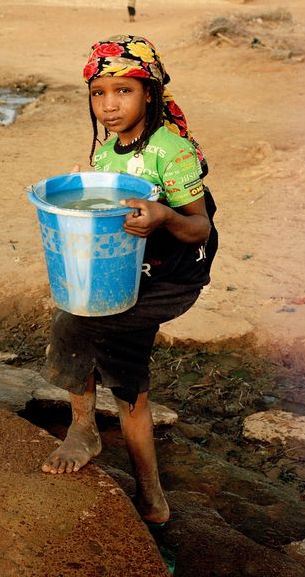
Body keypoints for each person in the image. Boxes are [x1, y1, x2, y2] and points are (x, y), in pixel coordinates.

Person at [41, 34, 217, 529]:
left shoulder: (171, 151)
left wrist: (161, 215)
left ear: (150, 94)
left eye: (123, 92)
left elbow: (198, 226)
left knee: (73, 321)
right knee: (129, 385)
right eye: (99, 93)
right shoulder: (108, 156)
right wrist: (82, 198)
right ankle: (153, 502)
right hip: (128, 274)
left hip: (174, 276)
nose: (109, 105)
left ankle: (83, 429)